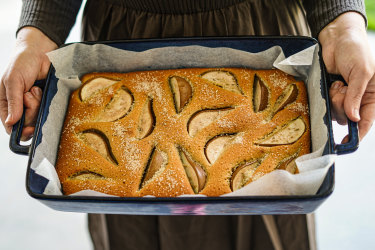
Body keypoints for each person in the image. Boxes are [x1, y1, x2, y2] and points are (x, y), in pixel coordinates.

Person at [1, 0, 374, 249]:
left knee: (270, 231)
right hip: (123, 37)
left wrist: (343, 30)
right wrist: (35, 39)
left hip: (268, 36)